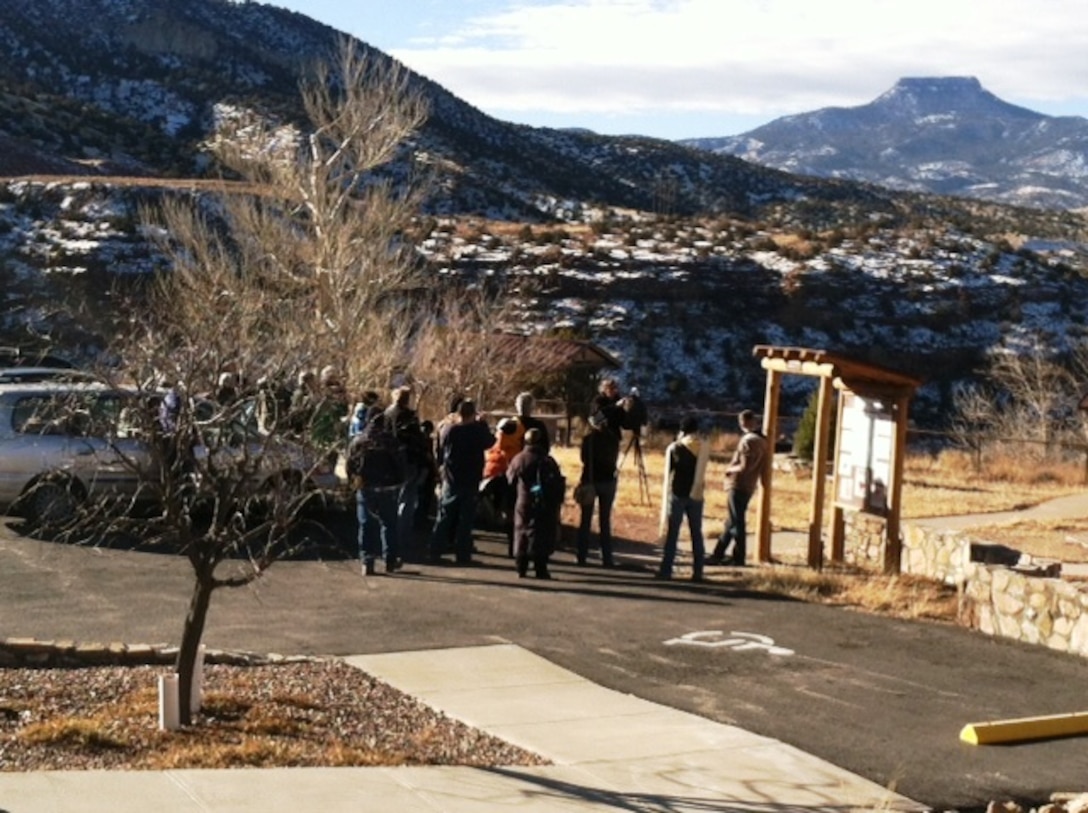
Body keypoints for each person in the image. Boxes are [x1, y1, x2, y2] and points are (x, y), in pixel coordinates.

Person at [428, 399, 494, 566]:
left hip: (451, 477)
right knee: (466, 519)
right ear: (473, 414)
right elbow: (490, 442)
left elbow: (440, 448)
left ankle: (435, 549)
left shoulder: (450, 430)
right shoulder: (477, 431)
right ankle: (462, 554)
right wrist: (483, 424)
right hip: (471, 478)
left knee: (445, 515)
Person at [346, 407, 406, 575]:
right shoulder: (391, 441)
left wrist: (354, 482)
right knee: (389, 524)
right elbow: (401, 464)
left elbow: (350, 465)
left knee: (366, 525)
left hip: (366, 488)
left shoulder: (359, 441)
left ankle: (367, 561)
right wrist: (399, 482)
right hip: (388, 488)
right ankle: (390, 560)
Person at [708, 409, 769, 567]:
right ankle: (718, 553)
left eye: (743, 422)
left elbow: (744, 466)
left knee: (737, 522)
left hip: (738, 483)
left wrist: (729, 469)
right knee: (732, 521)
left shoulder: (748, 441)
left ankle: (739, 557)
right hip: (749, 484)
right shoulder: (763, 441)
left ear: (748, 422)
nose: (742, 425)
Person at [656, 415, 710, 581]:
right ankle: (698, 571)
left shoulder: (675, 447)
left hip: (678, 493)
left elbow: (669, 473)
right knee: (696, 534)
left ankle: (666, 570)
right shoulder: (704, 446)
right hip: (697, 494)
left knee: (673, 533)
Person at [506, 428, 564, 579]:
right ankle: (540, 567)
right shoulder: (547, 461)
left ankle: (521, 565)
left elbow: (510, 480)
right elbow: (557, 483)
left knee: (521, 531)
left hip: (523, 500)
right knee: (541, 533)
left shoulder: (519, 459)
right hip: (543, 502)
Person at [384, 385, 430, 560]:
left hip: (390, 462)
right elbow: (418, 441)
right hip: (408, 462)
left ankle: (390, 537)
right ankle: (403, 539)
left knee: (392, 501)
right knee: (407, 502)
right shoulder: (410, 417)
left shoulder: (386, 415)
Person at [576, 402, 621, 568]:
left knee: (585, 521)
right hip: (608, 481)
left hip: (591, 480)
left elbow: (583, 459)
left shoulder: (588, 440)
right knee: (605, 520)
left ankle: (582, 556)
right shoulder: (614, 439)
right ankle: (607, 557)